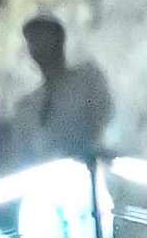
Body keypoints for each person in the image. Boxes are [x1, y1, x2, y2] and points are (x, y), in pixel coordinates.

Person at [21, 10, 113, 163]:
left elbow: (102, 118)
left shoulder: (87, 80)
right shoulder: (29, 105)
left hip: (90, 164)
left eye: (44, 38)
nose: (38, 46)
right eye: (32, 41)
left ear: (59, 40)